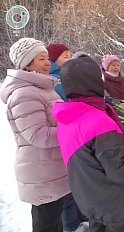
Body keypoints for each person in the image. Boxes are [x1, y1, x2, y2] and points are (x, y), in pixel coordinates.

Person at [52, 56, 124, 232]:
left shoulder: (66, 117)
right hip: (114, 205)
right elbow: (121, 172)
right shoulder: (99, 122)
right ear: (94, 83)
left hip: (90, 199)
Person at [0, 37, 70, 232]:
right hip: (41, 172)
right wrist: (75, 129)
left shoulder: (44, 88)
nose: (48, 63)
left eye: (47, 58)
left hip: (52, 168)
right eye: (41, 58)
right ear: (27, 63)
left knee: (54, 221)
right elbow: (39, 136)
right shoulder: (24, 94)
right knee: (46, 224)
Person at [47, 42, 88, 232]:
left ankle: (81, 215)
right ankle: (71, 224)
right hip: (67, 136)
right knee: (67, 183)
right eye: (65, 56)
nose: (70, 58)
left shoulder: (69, 77)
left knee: (78, 180)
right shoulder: (54, 81)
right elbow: (65, 108)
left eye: (70, 54)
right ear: (53, 60)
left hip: (78, 133)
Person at [101, 54, 124, 134]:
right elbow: (103, 93)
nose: (116, 67)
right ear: (107, 67)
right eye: (113, 65)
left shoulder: (123, 80)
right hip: (111, 112)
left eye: (118, 65)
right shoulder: (103, 79)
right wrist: (110, 100)